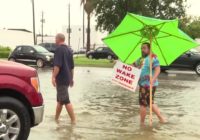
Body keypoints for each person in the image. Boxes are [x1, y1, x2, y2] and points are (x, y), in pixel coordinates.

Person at [134, 42, 166, 126]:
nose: (142, 50)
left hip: (148, 84)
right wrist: (120, 67)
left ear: (149, 49)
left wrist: (153, 79)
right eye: (141, 48)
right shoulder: (141, 59)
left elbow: (158, 70)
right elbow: (132, 66)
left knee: (143, 103)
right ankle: (161, 118)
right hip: (143, 84)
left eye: (144, 48)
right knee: (150, 102)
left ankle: (142, 124)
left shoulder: (153, 57)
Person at [52, 33, 76, 124]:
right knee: (60, 100)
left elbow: (57, 66)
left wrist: (53, 77)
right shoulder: (69, 50)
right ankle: (56, 119)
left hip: (61, 79)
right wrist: (71, 78)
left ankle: (74, 121)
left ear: (58, 39)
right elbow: (72, 67)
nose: (55, 40)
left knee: (65, 100)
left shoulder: (59, 49)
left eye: (55, 38)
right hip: (67, 78)